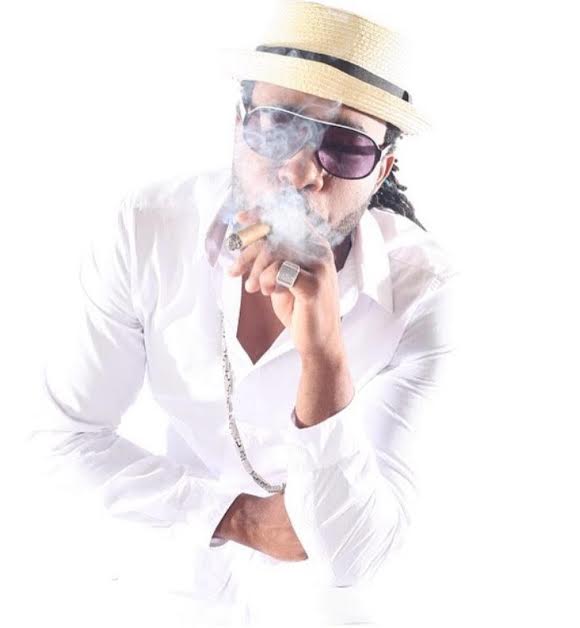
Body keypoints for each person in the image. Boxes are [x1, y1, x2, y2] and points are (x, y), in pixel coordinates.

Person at [27, 2, 460, 626]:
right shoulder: (148, 230)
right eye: (280, 124)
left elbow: (354, 556)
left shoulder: (427, 294)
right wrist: (241, 519)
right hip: (161, 577)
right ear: (239, 125)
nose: (301, 171)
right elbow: (59, 439)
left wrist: (324, 355)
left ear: (382, 170)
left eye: (346, 147)